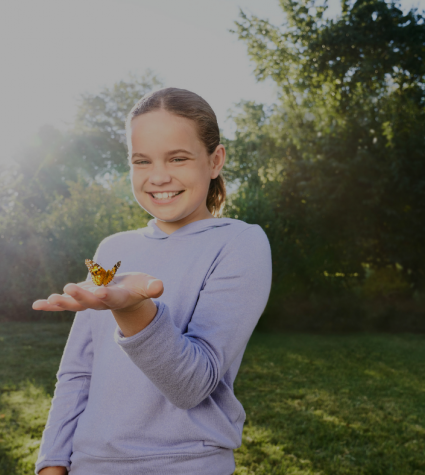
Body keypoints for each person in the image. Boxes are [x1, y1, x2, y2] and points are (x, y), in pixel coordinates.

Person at [32, 87, 272, 475]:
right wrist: (53, 463)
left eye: (177, 157)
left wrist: (133, 310)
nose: (159, 176)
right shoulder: (112, 248)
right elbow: (78, 372)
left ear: (215, 160)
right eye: (141, 161)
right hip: (88, 465)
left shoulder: (240, 243)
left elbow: (192, 386)